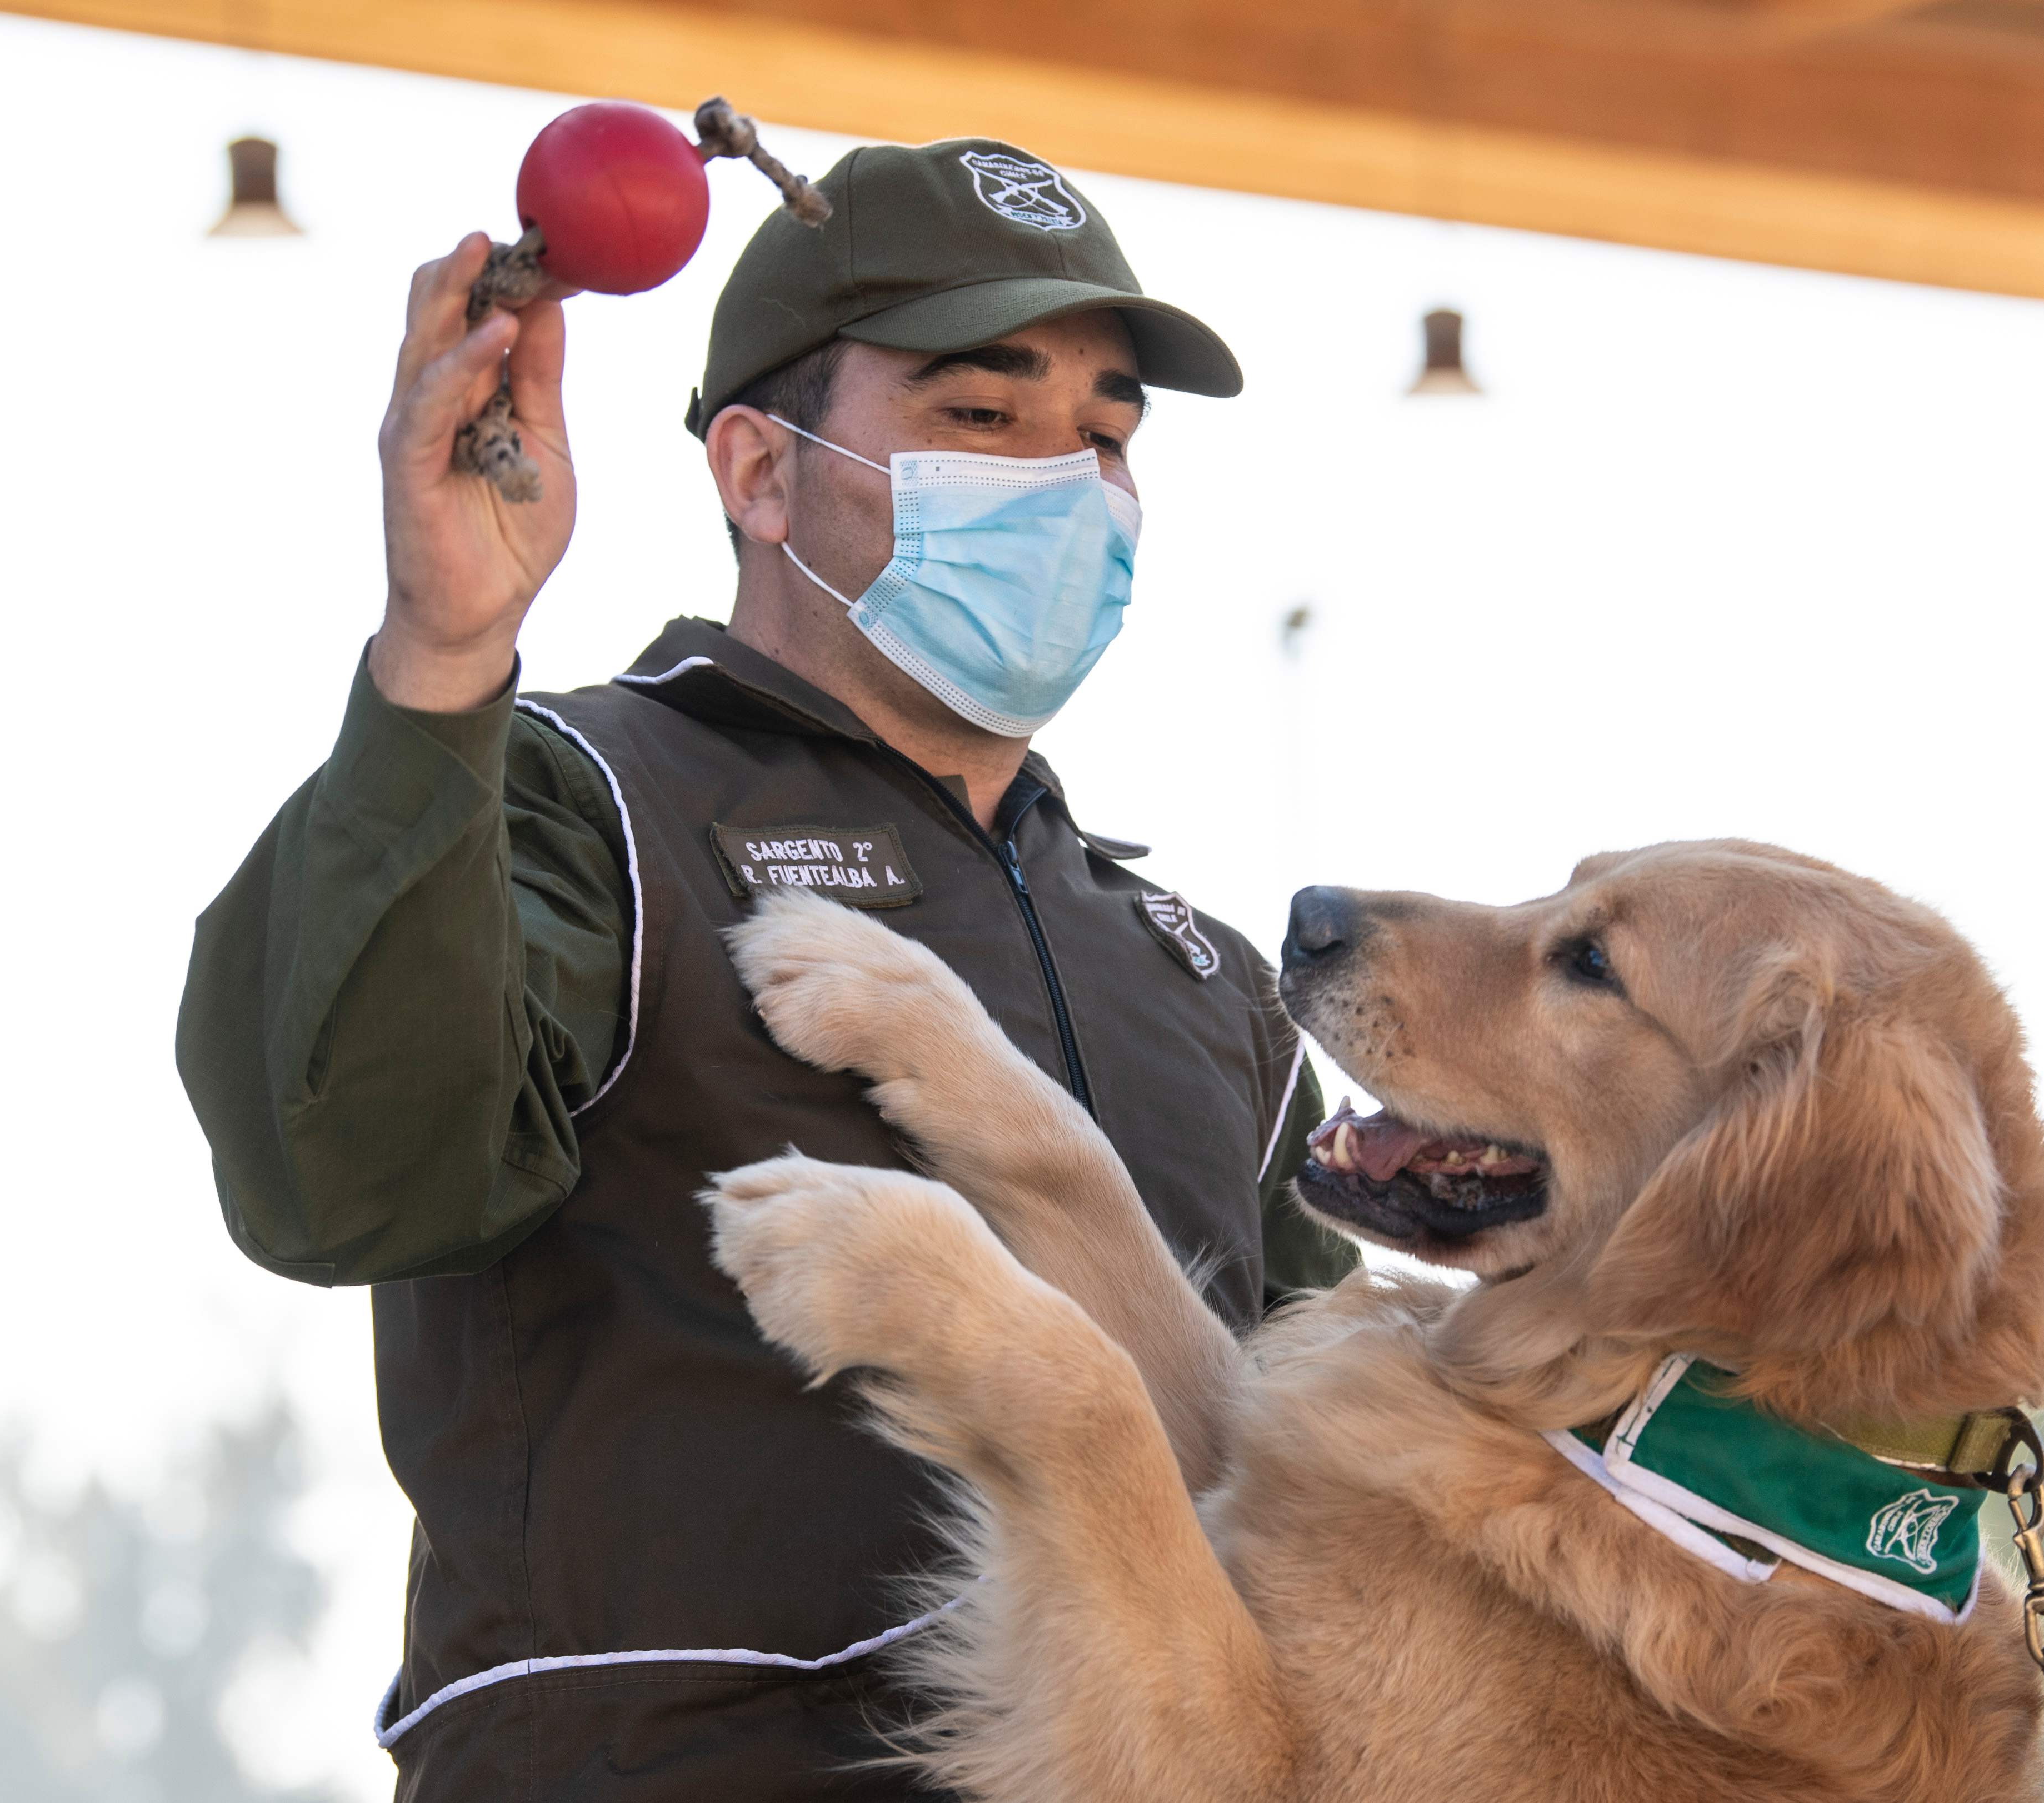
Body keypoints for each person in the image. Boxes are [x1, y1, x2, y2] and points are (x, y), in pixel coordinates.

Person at [176, 136, 1353, 1800]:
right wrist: (444, 658)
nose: (1063, 483)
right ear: (758, 472)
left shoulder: (1205, 980)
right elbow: (342, 1178)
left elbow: (1340, 1504)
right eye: (978, 416)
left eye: (1102, 437)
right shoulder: (575, 799)